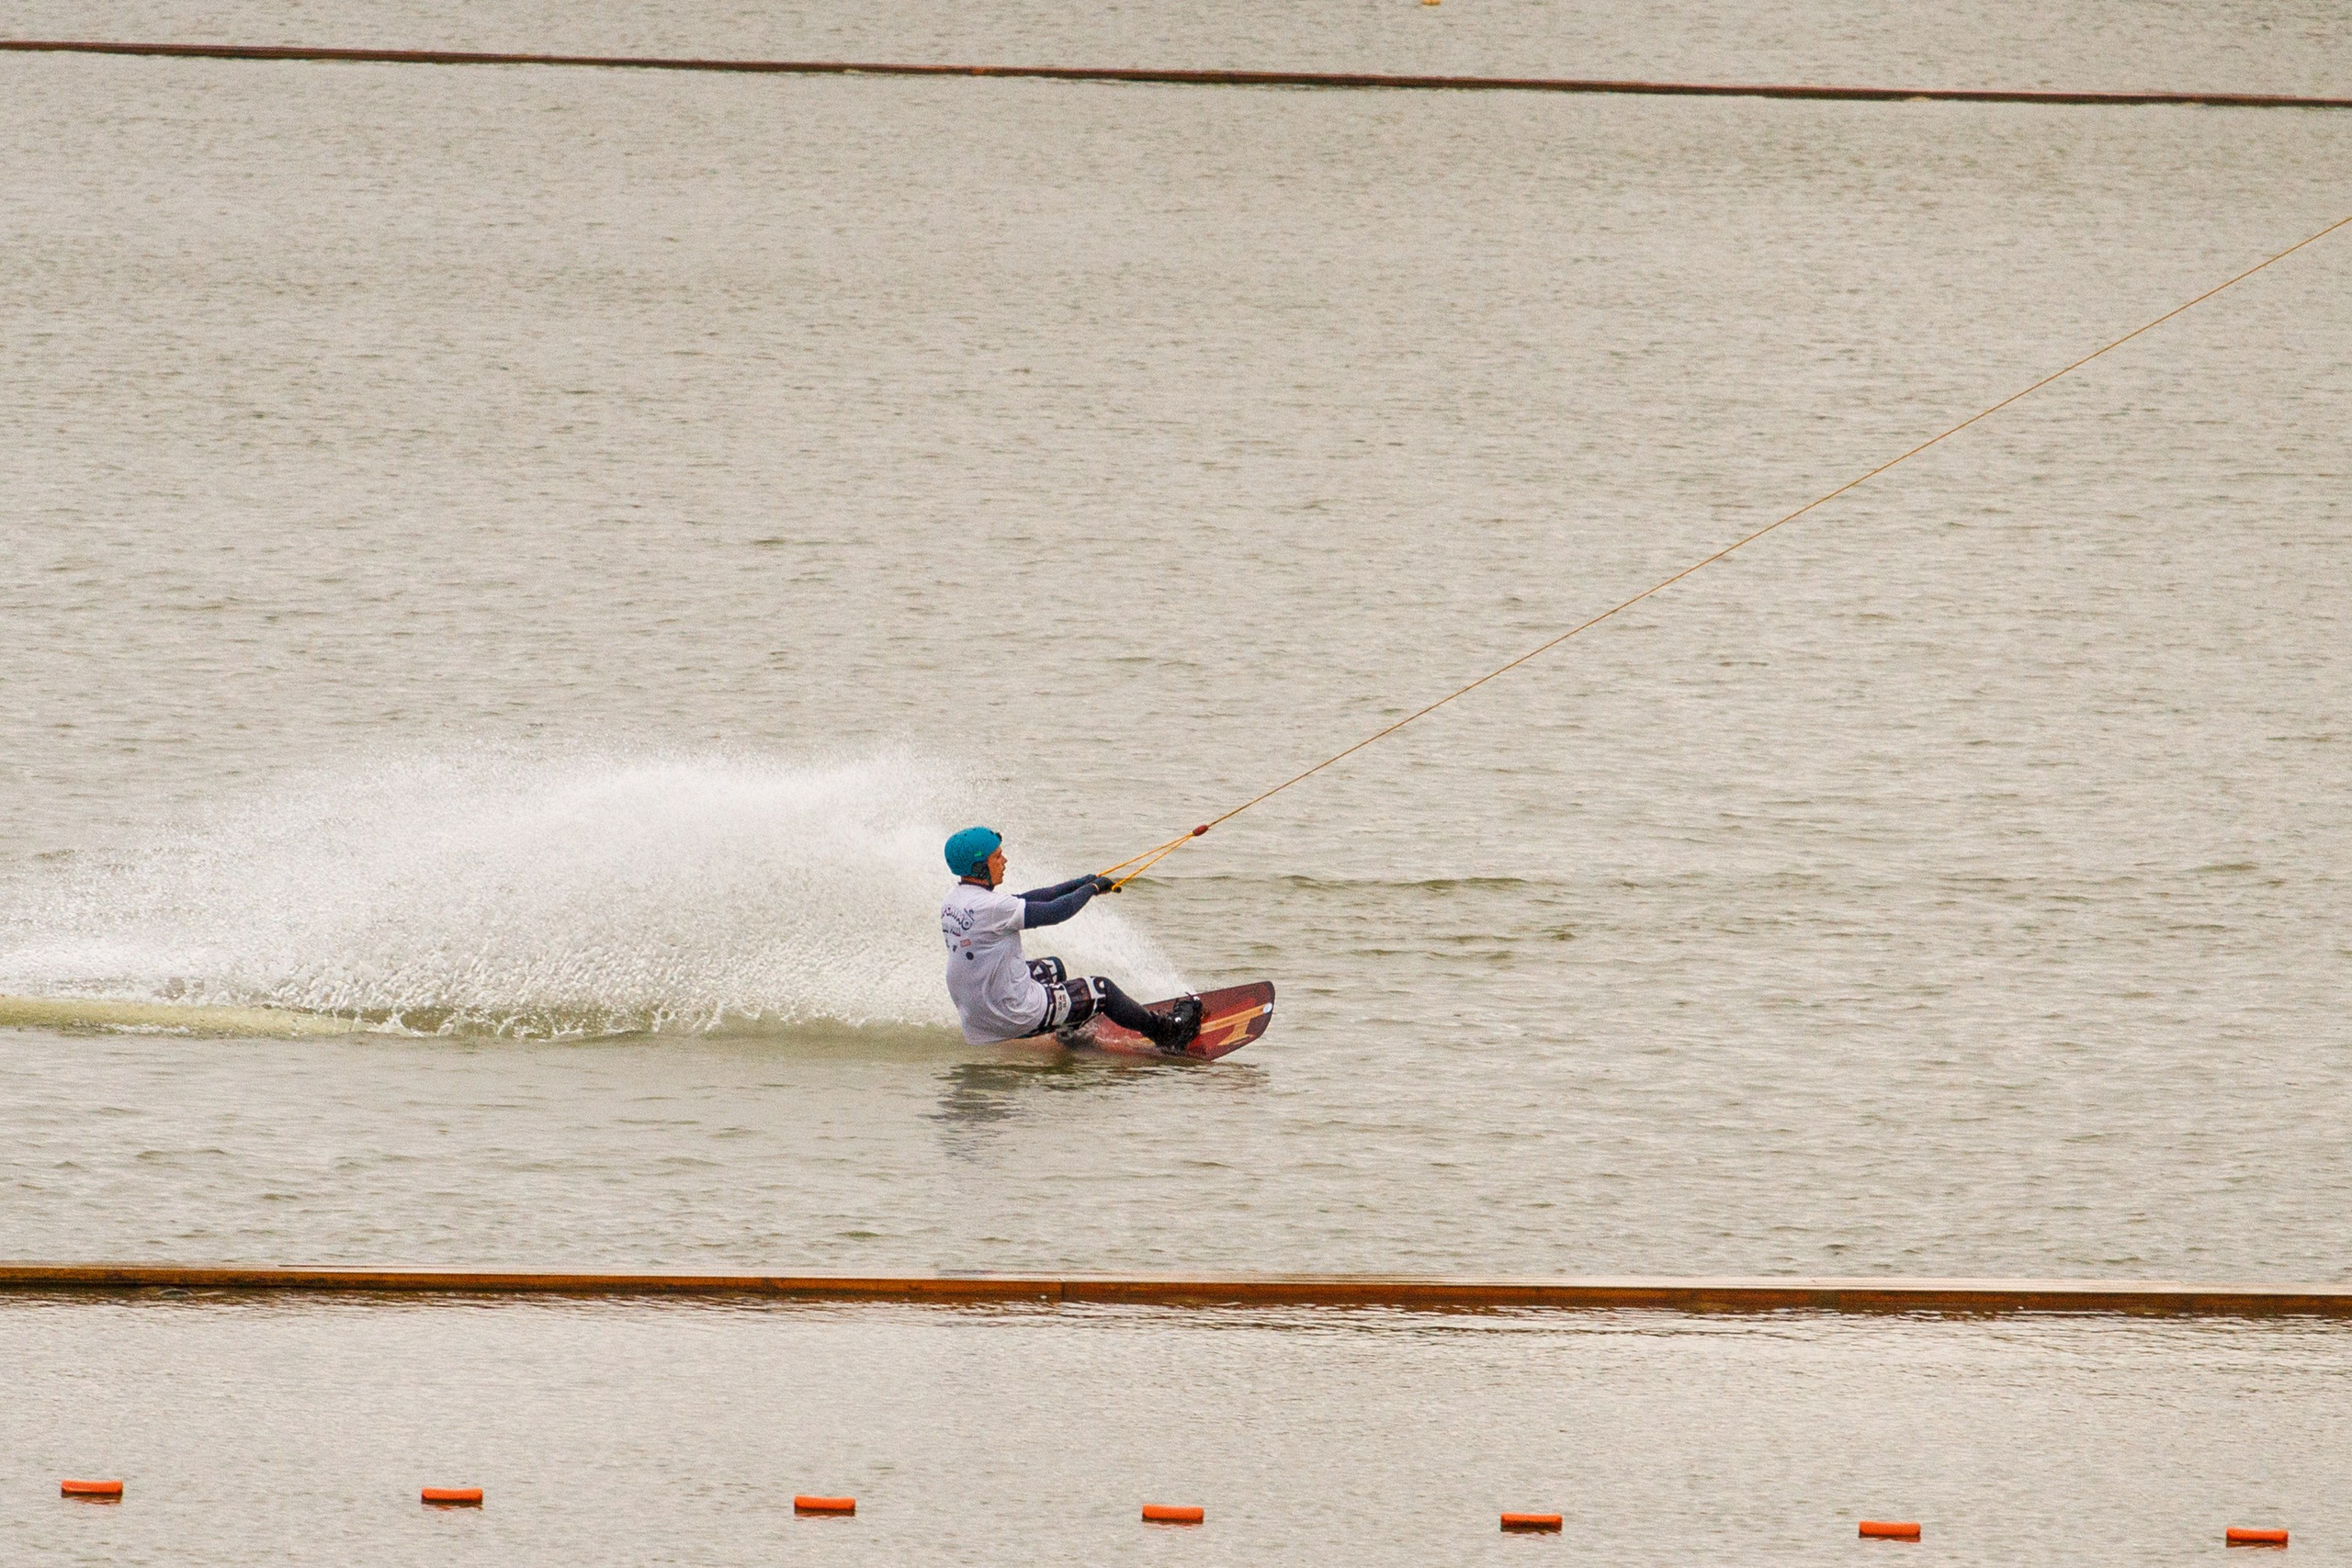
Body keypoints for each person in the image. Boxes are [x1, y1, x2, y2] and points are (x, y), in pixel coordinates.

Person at [938, 826, 1202, 1050]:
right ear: (980, 867)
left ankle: (1068, 1035)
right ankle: (1169, 1033)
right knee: (1103, 990)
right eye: (997, 857)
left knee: (1054, 967)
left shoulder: (956, 899)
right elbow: (1055, 912)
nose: (1004, 860)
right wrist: (1091, 889)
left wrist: (1078, 884)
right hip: (1010, 1016)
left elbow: (1026, 900)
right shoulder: (993, 908)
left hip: (978, 1016)